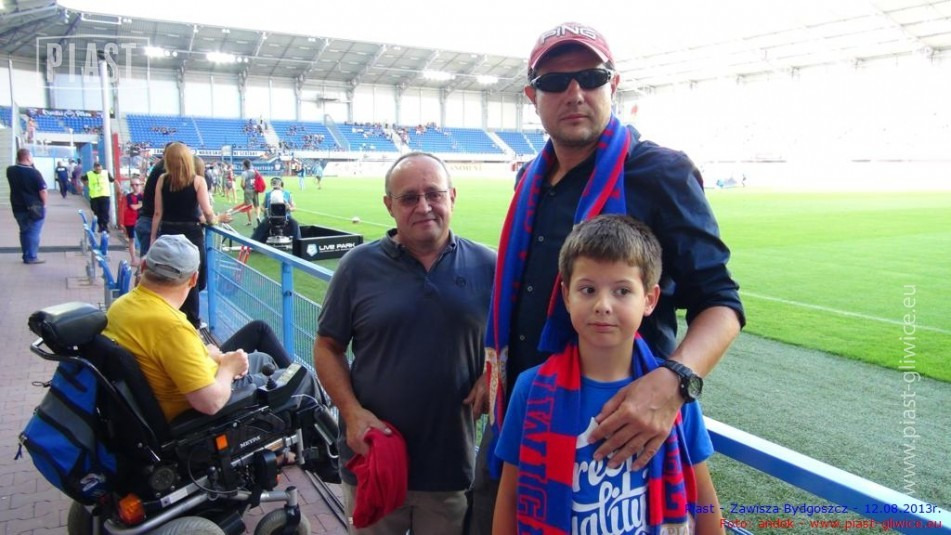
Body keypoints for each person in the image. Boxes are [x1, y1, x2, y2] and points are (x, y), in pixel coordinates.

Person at [470, 22, 745, 533]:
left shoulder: (661, 172)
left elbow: (721, 302)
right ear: (532, 97)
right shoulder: (530, 178)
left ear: (612, 85)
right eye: (555, 82)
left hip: (619, 425)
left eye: (591, 77)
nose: (574, 93)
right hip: (522, 413)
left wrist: (674, 382)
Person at [492, 215, 723, 535]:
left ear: (650, 299)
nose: (603, 305)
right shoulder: (530, 389)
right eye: (587, 289)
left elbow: (704, 501)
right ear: (566, 296)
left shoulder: (672, 394)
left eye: (622, 291)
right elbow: (509, 498)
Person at [314, 152, 495, 534]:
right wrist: (351, 413)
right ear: (389, 205)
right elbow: (327, 346)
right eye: (409, 197)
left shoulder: (488, 266)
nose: (424, 206)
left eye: (434, 194)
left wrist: (492, 374)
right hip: (372, 460)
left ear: (452, 197)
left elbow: (514, 341)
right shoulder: (357, 267)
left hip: (449, 467)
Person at [102, 234, 316, 421]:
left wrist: (208, 354)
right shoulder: (171, 327)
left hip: (186, 385)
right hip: (204, 410)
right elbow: (210, 403)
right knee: (302, 378)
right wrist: (228, 368)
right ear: (194, 279)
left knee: (262, 355)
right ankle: (322, 445)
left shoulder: (120, 307)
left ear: (143, 267)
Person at [150, 142, 231, 329]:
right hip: (191, 235)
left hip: (168, 233)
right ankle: (192, 322)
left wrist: (153, 238)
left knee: (169, 277)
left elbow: (157, 213)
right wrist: (217, 219)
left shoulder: (162, 179)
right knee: (193, 278)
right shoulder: (198, 181)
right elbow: (208, 213)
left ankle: (173, 318)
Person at [7, 148, 48, 264]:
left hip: (17, 206)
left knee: (24, 231)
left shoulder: (10, 171)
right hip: (34, 207)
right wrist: (45, 204)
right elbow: (43, 191)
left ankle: (26, 254)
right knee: (34, 232)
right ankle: (31, 256)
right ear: (28, 158)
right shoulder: (34, 173)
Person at [251, 177, 301, 243]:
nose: (276, 188)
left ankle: (298, 243)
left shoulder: (287, 193)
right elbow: (262, 206)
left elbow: (294, 207)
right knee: (261, 226)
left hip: (286, 217)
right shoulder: (268, 194)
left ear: (281, 185)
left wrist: (289, 208)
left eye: (277, 185)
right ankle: (252, 243)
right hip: (270, 216)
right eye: (274, 185)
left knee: (295, 224)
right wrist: (265, 210)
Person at [82, 162, 115, 233]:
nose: (99, 170)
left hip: (104, 195)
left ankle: (105, 226)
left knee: (105, 211)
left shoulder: (106, 173)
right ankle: (100, 225)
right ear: (94, 168)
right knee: (97, 212)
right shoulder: (89, 174)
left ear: (102, 168)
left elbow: (112, 180)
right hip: (94, 196)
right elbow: (82, 178)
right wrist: (85, 183)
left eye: (100, 169)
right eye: (97, 169)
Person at [123, 180, 144, 266]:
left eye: (137, 185)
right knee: (132, 239)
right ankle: (133, 259)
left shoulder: (142, 196)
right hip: (130, 220)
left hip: (140, 220)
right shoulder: (129, 196)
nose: (135, 187)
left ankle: (142, 260)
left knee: (142, 240)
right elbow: (133, 207)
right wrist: (142, 204)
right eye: (133, 185)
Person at [240, 159, 260, 225]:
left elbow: (242, 184)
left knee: (248, 207)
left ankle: (250, 221)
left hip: (248, 190)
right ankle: (258, 216)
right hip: (255, 190)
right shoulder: (255, 172)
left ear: (244, 165)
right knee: (257, 205)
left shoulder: (244, 173)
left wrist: (244, 189)